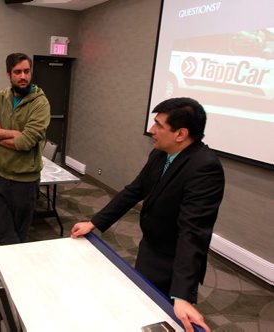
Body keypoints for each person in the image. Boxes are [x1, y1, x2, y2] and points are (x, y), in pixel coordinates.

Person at [71, 97, 224, 332]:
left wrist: (182, 294)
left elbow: (192, 233)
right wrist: (94, 222)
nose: (151, 131)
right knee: (140, 305)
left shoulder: (205, 168)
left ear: (180, 134)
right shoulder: (160, 154)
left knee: (164, 318)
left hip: (173, 260)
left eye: (159, 125)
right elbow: (134, 190)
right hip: (150, 247)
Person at [0, 53, 50, 245]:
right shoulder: (0, 97)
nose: (23, 76)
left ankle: (13, 271)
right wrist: (11, 133)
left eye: (27, 71)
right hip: (0, 176)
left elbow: (26, 142)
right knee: (4, 233)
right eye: (17, 72)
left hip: (25, 182)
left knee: (17, 236)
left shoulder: (40, 103)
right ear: (8, 74)